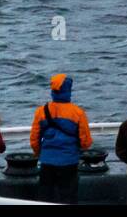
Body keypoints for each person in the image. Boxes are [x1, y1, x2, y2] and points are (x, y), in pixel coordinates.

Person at [29, 73, 92, 204]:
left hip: (47, 162)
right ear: (68, 90)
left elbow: (34, 139)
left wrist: (40, 153)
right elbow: (86, 142)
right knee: (68, 197)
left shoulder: (41, 111)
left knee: (46, 197)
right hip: (69, 162)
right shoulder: (78, 113)